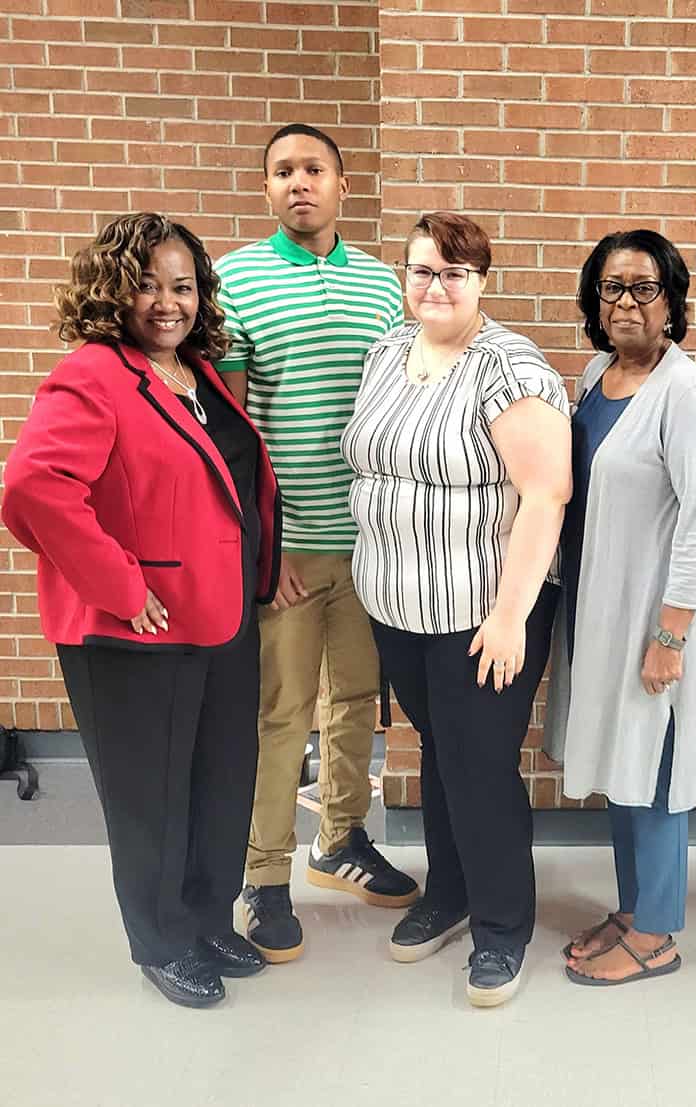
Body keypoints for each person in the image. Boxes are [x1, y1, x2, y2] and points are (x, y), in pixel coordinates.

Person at [2, 213, 282, 1008]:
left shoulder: (195, 370)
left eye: (183, 285)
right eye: (148, 285)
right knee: (153, 793)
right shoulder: (92, 375)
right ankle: (161, 938)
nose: (168, 302)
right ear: (113, 292)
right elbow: (34, 489)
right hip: (135, 627)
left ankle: (205, 915)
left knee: (220, 778)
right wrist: (123, 585)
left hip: (219, 615)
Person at [343, 212, 571, 1007]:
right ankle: (449, 893)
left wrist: (509, 616)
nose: (434, 286)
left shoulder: (510, 368)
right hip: (398, 607)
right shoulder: (385, 354)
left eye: (453, 272)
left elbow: (546, 495)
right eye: (420, 270)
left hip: (484, 612)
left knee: (478, 767)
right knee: (439, 754)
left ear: (481, 281)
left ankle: (502, 928)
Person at [215, 123, 416, 964]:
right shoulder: (233, 280)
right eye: (282, 171)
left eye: (314, 169)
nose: (300, 182)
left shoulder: (379, 285)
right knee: (281, 713)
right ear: (267, 190)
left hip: (369, 546)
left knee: (355, 705)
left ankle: (341, 839)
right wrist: (267, 546)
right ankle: (262, 879)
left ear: (341, 185)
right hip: (289, 552)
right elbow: (225, 427)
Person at [545, 230, 696, 986]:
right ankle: (631, 908)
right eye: (612, 287)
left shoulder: (685, 394)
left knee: (653, 768)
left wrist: (671, 633)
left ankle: (657, 932)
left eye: (643, 287)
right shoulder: (596, 375)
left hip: (656, 616)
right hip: (598, 609)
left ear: (672, 300)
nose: (626, 301)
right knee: (624, 761)